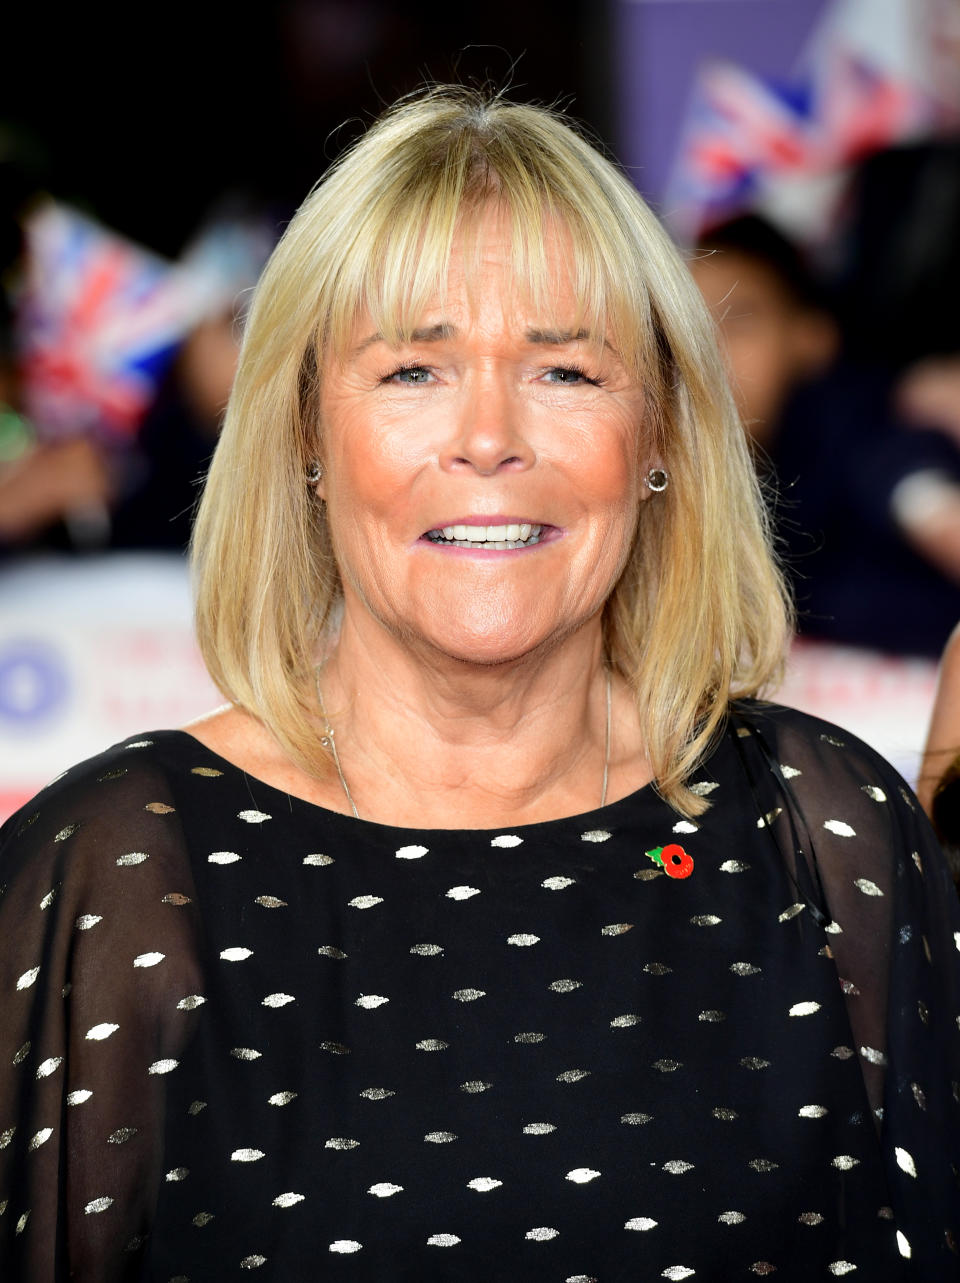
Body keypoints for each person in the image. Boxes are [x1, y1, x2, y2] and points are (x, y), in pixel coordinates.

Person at [1, 88, 958, 1282]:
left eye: (565, 370)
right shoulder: (117, 874)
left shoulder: (824, 833)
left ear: (658, 434)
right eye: (413, 369)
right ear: (304, 433)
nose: (489, 436)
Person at [690, 214, 960, 659]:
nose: (706, 351)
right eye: (683, 327)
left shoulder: (845, 421)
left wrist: (931, 509)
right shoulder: (679, 469)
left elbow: (905, 477)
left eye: (737, 322)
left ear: (811, 337)